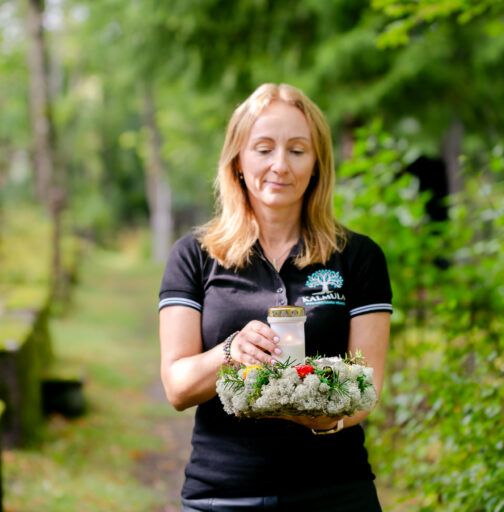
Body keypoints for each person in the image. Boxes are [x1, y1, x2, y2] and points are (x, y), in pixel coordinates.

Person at [158, 83, 392, 511]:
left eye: (297, 150)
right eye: (263, 149)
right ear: (238, 162)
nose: (280, 165)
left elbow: (368, 387)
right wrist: (230, 352)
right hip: (222, 496)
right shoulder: (194, 256)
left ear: (318, 164)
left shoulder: (358, 257)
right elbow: (177, 386)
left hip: (335, 493)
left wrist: (319, 416)